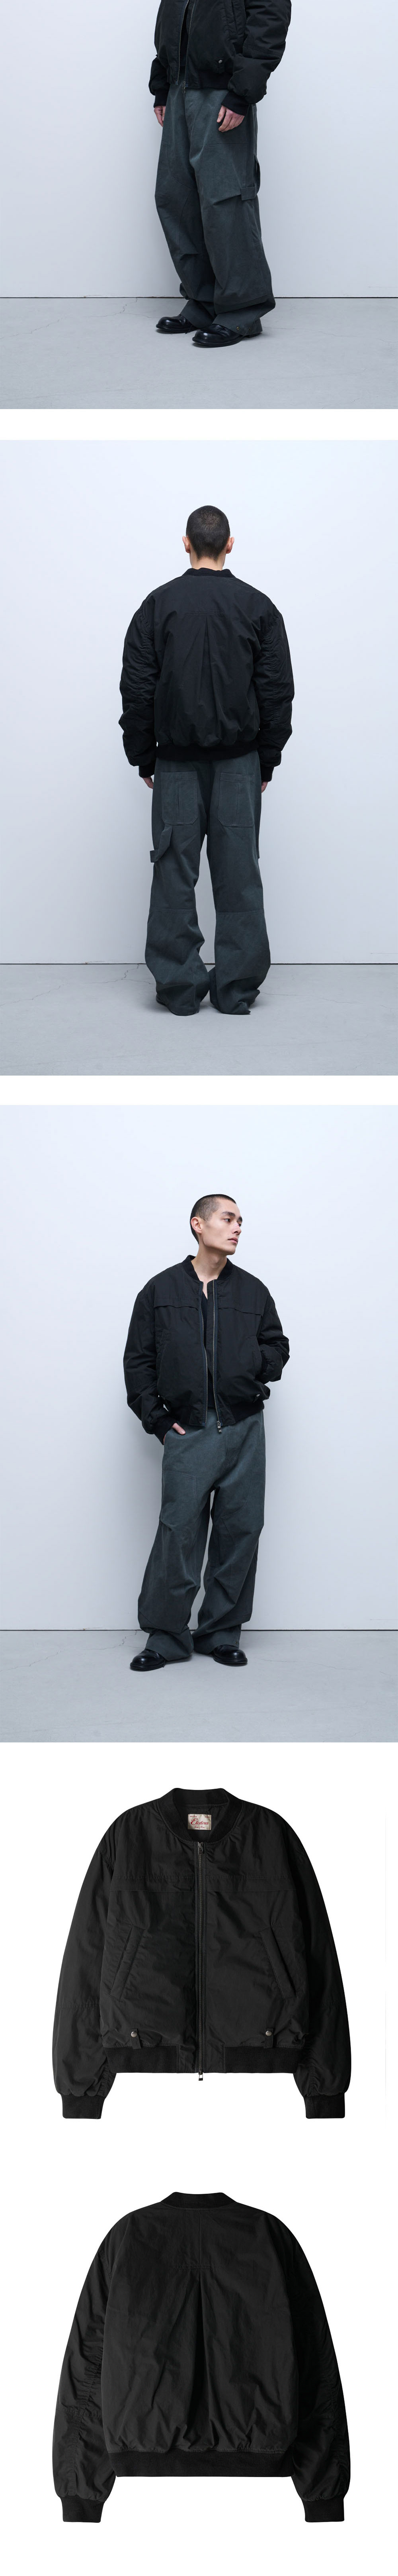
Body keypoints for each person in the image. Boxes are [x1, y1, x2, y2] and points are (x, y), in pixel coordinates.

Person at [119, 503, 294, 1017]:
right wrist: (266, 760)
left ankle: (179, 990)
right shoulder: (258, 607)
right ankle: (236, 990)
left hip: (175, 765)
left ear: (186, 543)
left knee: (173, 874)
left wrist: (143, 756)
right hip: (239, 764)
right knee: (239, 875)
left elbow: (137, 687)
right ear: (230, 545)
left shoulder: (158, 606)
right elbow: (277, 691)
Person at [123, 1191, 289, 1670]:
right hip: (189, 1429)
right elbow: (139, 1361)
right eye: (228, 1218)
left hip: (244, 1426)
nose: (237, 1228)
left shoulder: (253, 1291)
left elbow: (277, 1347)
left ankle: (220, 1632)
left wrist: (250, 1366)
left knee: (240, 1531)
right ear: (199, 1224)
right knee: (178, 1534)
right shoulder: (159, 1290)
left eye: (241, 1221)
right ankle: (165, 1637)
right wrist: (158, 1421)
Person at [150, 2, 292, 347]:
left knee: (225, 198)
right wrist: (162, 81)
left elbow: (269, 19)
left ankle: (242, 311)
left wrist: (243, 91)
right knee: (176, 197)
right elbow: (172, 15)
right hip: (180, 85)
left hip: (222, 89)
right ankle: (203, 302)